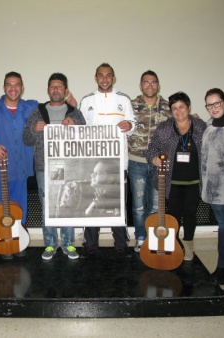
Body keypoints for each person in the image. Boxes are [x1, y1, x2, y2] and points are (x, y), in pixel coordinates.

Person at [23, 73, 85, 261]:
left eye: (59, 87)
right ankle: (50, 243)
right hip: (44, 167)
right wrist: (34, 130)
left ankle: (68, 244)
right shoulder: (37, 111)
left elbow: (86, 137)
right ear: (48, 90)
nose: (55, 89)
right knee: (47, 207)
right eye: (52, 86)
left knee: (68, 204)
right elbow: (26, 139)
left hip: (69, 167)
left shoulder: (75, 112)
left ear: (66, 91)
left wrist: (77, 125)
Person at [78, 62, 136, 258]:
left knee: (117, 201)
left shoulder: (123, 99)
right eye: (100, 75)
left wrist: (130, 124)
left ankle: (120, 241)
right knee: (93, 197)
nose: (104, 79)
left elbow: (133, 123)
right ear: (95, 78)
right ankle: (91, 241)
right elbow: (80, 128)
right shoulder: (86, 101)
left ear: (113, 78)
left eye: (108, 75)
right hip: (94, 160)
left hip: (118, 160)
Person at [0, 71, 37, 258]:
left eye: (17, 84)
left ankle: (18, 241)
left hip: (22, 167)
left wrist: (70, 104)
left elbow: (51, 110)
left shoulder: (31, 107)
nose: (13, 88)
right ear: (4, 87)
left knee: (20, 208)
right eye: (9, 85)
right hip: (1, 168)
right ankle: (4, 242)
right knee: (1, 207)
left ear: (22, 87)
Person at [146, 91, 206, 261]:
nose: (179, 111)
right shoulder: (165, 128)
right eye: (174, 108)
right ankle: (172, 243)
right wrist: (154, 158)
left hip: (194, 181)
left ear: (188, 107)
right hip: (171, 181)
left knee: (189, 214)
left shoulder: (200, 126)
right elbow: (152, 148)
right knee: (171, 215)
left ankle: (188, 245)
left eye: (182, 107)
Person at [127, 70, 171, 252]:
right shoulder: (130, 106)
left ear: (158, 86)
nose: (150, 86)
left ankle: (154, 240)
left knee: (155, 205)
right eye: (146, 82)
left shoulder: (169, 107)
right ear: (140, 85)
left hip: (159, 165)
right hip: (136, 162)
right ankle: (140, 238)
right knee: (138, 206)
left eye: (154, 83)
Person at [201, 88, 224, 285]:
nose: (213, 108)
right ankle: (222, 266)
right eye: (209, 105)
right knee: (223, 229)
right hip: (211, 188)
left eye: (216, 103)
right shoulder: (209, 124)